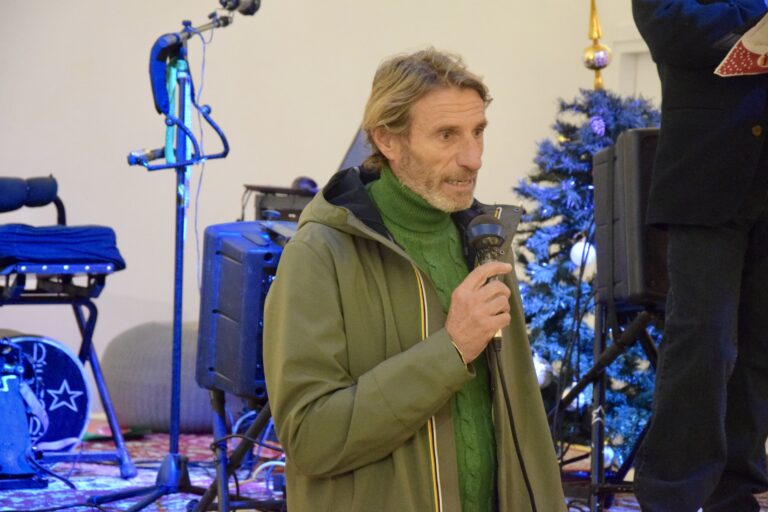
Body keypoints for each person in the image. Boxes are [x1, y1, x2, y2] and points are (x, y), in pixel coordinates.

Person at [263, 48, 566, 511]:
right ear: (387, 139)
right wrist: (452, 349)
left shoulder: (485, 243)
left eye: (478, 132)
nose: (473, 158)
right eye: (446, 135)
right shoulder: (320, 253)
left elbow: (523, 425)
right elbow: (310, 438)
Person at [631, 2, 768, 511]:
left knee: (760, 349)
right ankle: (673, 495)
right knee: (704, 341)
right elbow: (667, 25)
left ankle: (738, 494)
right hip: (707, 173)